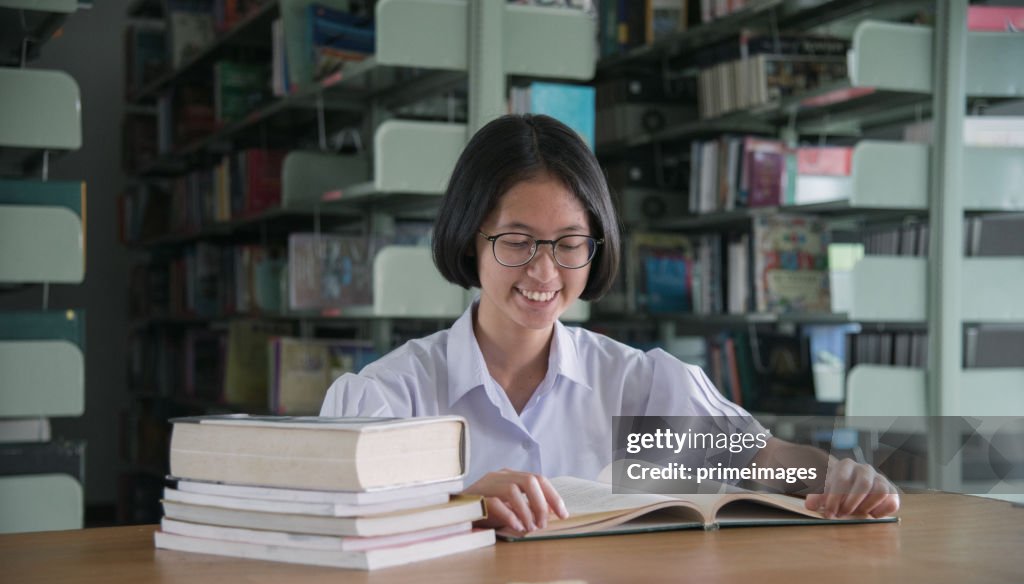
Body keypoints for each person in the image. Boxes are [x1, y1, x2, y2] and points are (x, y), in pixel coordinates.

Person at [321, 114, 900, 534]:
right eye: (517, 241)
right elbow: (330, 513)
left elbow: (755, 455)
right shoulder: (396, 395)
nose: (545, 270)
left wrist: (842, 476)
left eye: (571, 244)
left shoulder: (634, 389)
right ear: (469, 240)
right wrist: (458, 500)